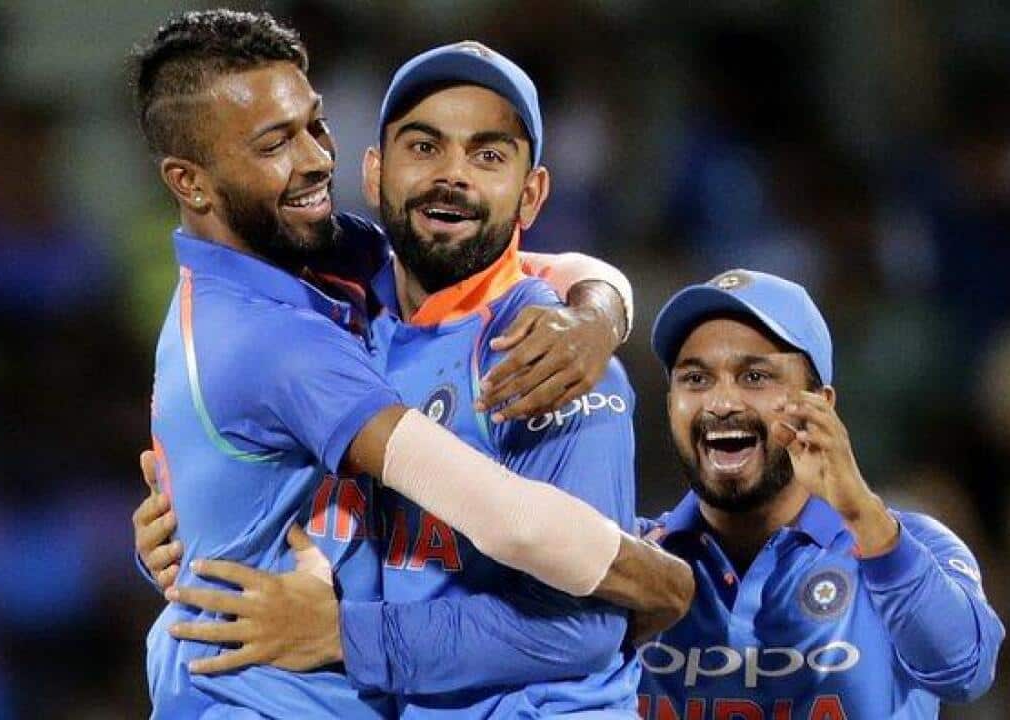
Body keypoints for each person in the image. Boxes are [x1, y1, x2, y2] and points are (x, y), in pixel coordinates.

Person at [129, 11, 691, 719]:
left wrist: (599, 310)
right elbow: (512, 523)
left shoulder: (541, 355)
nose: (312, 159)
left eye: (488, 156)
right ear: (378, 172)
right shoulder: (291, 330)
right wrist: (664, 581)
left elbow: (579, 630)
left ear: (533, 194)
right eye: (424, 147)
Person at [636, 269, 1004, 719]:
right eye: (695, 379)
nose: (721, 402)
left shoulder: (913, 544)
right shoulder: (626, 559)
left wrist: (861, 514)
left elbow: (964, 671)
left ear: (821, 404)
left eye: (755, 377)